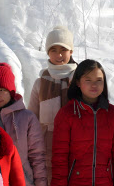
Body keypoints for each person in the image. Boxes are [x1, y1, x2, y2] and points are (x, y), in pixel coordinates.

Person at [51, 59, 114, 186]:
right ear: (78, 82)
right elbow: (59, 158)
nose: (94, 85)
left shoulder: (113, 114)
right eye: (88, 80)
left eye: (99, 80)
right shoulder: (66, 114)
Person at [0, 62, 47, 186]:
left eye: (2, 90)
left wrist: (40, 183)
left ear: (11, 91)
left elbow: (37, 156)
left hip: (24, 181)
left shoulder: (27, 118)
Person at [28, 26, 78, 181]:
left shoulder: (81, 80)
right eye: (54, 49)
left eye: (63, 49)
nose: (59, 54)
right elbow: (32, 120)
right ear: (48, 52)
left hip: (75, 147)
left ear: (71, 51)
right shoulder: (40, 83)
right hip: (47, 150)